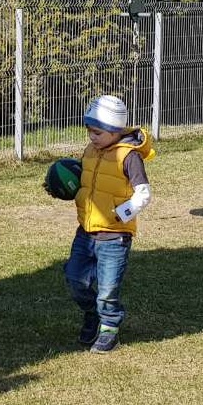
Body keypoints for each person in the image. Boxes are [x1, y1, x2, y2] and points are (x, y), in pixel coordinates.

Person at [65, 95, 154, 353]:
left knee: (107, 289)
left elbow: (144, 194)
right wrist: (62, 186)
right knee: (74, 279)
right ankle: (92, 314)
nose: (92, 137)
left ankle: (109, 328)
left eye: (97, 132)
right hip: (86, 233)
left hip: (115, 237)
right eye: (89, 131)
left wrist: (120, 214)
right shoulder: (90, 151)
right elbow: (84, 182)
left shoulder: (129, 156)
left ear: (115, 131)